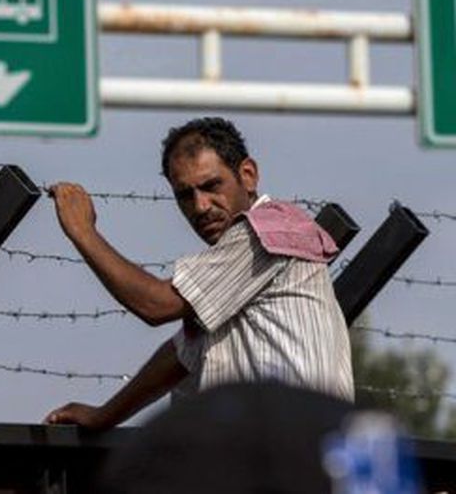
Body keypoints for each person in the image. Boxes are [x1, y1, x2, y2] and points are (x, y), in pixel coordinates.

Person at [43, 117, 354, 430]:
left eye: (211, 186)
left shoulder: (264, 231)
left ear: (247, 175)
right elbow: (181, 354)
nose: (201, 206)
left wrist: (83, 232)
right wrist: (104, 415)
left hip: (291, 450)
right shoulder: (229, 275)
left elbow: (157, 305)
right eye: (184, 195)